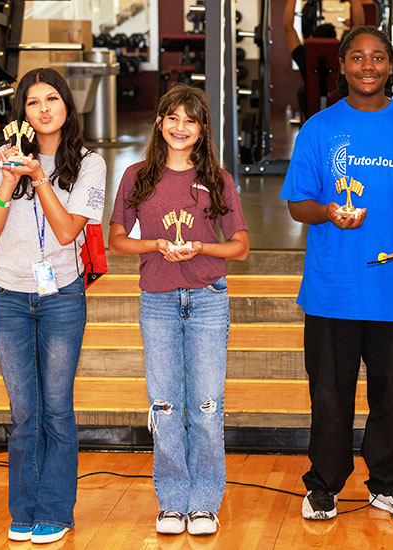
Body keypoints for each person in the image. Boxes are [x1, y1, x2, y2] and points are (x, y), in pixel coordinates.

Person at [280, 26, 393, 521]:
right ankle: (324, 485)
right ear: (342, 65)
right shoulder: (319, 128)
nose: (367, 66)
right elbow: (297, 205)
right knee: (329, 395)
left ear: (390, 67)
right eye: (357, 57)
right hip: (333, 288)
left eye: (377, 57)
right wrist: (329, 212)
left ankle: (389, 483)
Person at [108, 84, 249, 537]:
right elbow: (117, 239)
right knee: (165, 406)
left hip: (208, 300)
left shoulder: (219, 179)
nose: (181, 127)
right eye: (172, 117)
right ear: (159, 122)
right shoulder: (136, 175)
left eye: (190, 119)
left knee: (207, 406)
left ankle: (205, 503)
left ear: (203, 128)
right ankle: (172, 502)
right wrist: (155, 244)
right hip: (158, 302)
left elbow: (241, 247)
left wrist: (199, 249)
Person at [0, 67, 107, 544]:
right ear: (21, 113)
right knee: (23, 412)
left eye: (52, 99)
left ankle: (55, 510)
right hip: (9, 295)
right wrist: (10, 178)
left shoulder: (89, 162)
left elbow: (69, 231)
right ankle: (24, 510)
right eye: (33, 102)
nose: (44, 109)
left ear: (67, 106)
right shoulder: (3, 159)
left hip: (62, 298)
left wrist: (40, 179)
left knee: (56, 409)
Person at [283, 0, 365, 118]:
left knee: (303, 92)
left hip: (313, 115)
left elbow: (288, 28)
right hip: (342, 115)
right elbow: (359, 24)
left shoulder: (305, 57)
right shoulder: (344, 55)